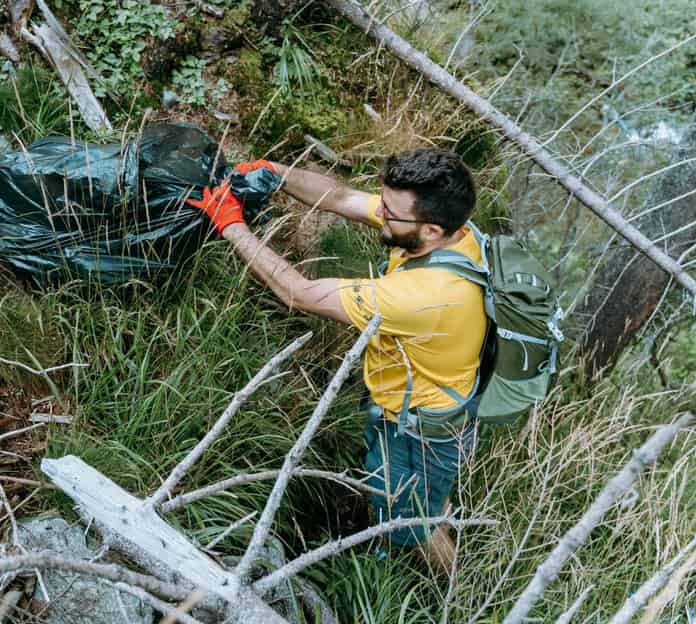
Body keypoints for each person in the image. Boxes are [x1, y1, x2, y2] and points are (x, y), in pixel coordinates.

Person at [187, 148, 486, 575]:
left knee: (413, 517)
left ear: (432, 230)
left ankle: (452, 586)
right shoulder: (453, 232)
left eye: (391, 213)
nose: (380, 214)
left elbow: (299, 294)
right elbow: (343, 198)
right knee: (426, 494)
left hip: (421, 423)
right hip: (439, 394)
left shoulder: (425, 296)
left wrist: (231, 224)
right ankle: (433, 503)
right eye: (383, 203)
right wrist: (277, 173)